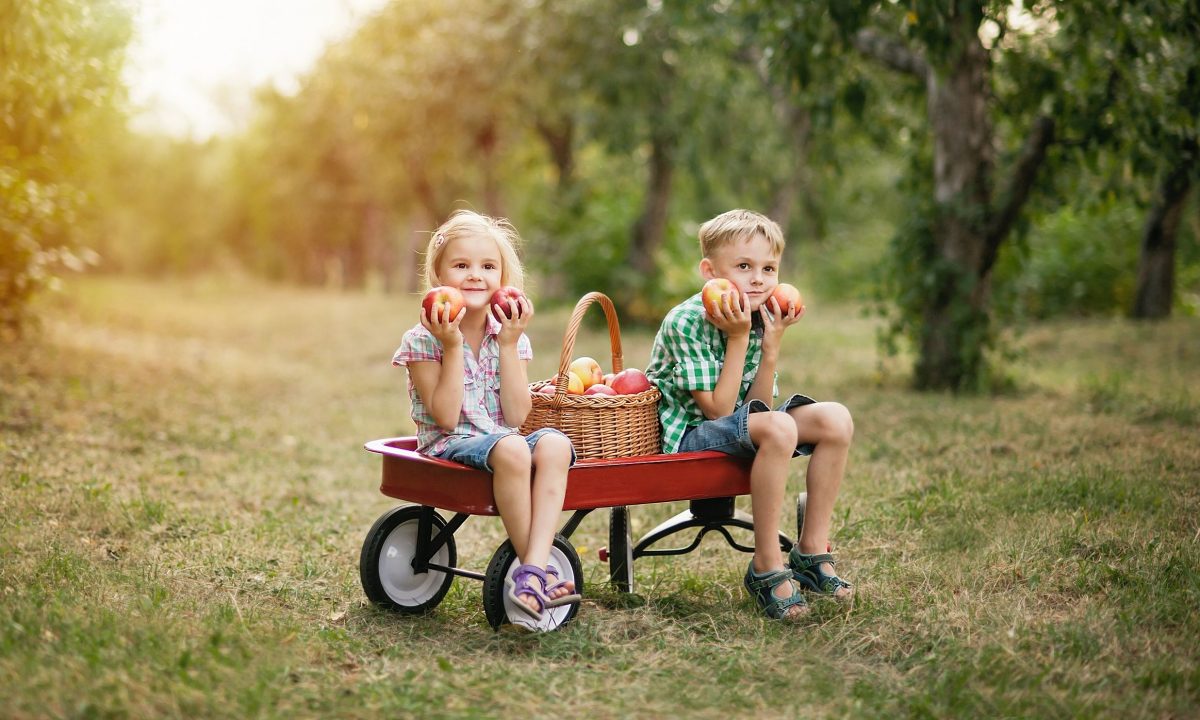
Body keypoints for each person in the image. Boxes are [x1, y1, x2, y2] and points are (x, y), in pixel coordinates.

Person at [645, 209, 854, 621]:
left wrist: (770, 344)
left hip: (737, 426)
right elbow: (718, 411)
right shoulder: (688, 320)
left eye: (768, 268)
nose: (758, 279)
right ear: (710, 271)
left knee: (835, 419)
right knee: (777, 425)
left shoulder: (760, 313)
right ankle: (766, 566)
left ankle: (811, 552)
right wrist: (740, 338)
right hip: (688, 435)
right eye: (744, 267)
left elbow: (753, 407)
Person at [392, 209, 580, 622]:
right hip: (451, 443)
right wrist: (454, 344)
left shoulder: (508, 332)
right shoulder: (423, 339)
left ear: (503, 278)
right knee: (514, 448)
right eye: (461, 266)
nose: (475, 275)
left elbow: (516, 413)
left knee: (553, 444)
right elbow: (443, 417)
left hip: (500, 438)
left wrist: (510, 346)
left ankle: (533, 566)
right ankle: (539, 570)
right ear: (438, 277)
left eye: (488, 266)